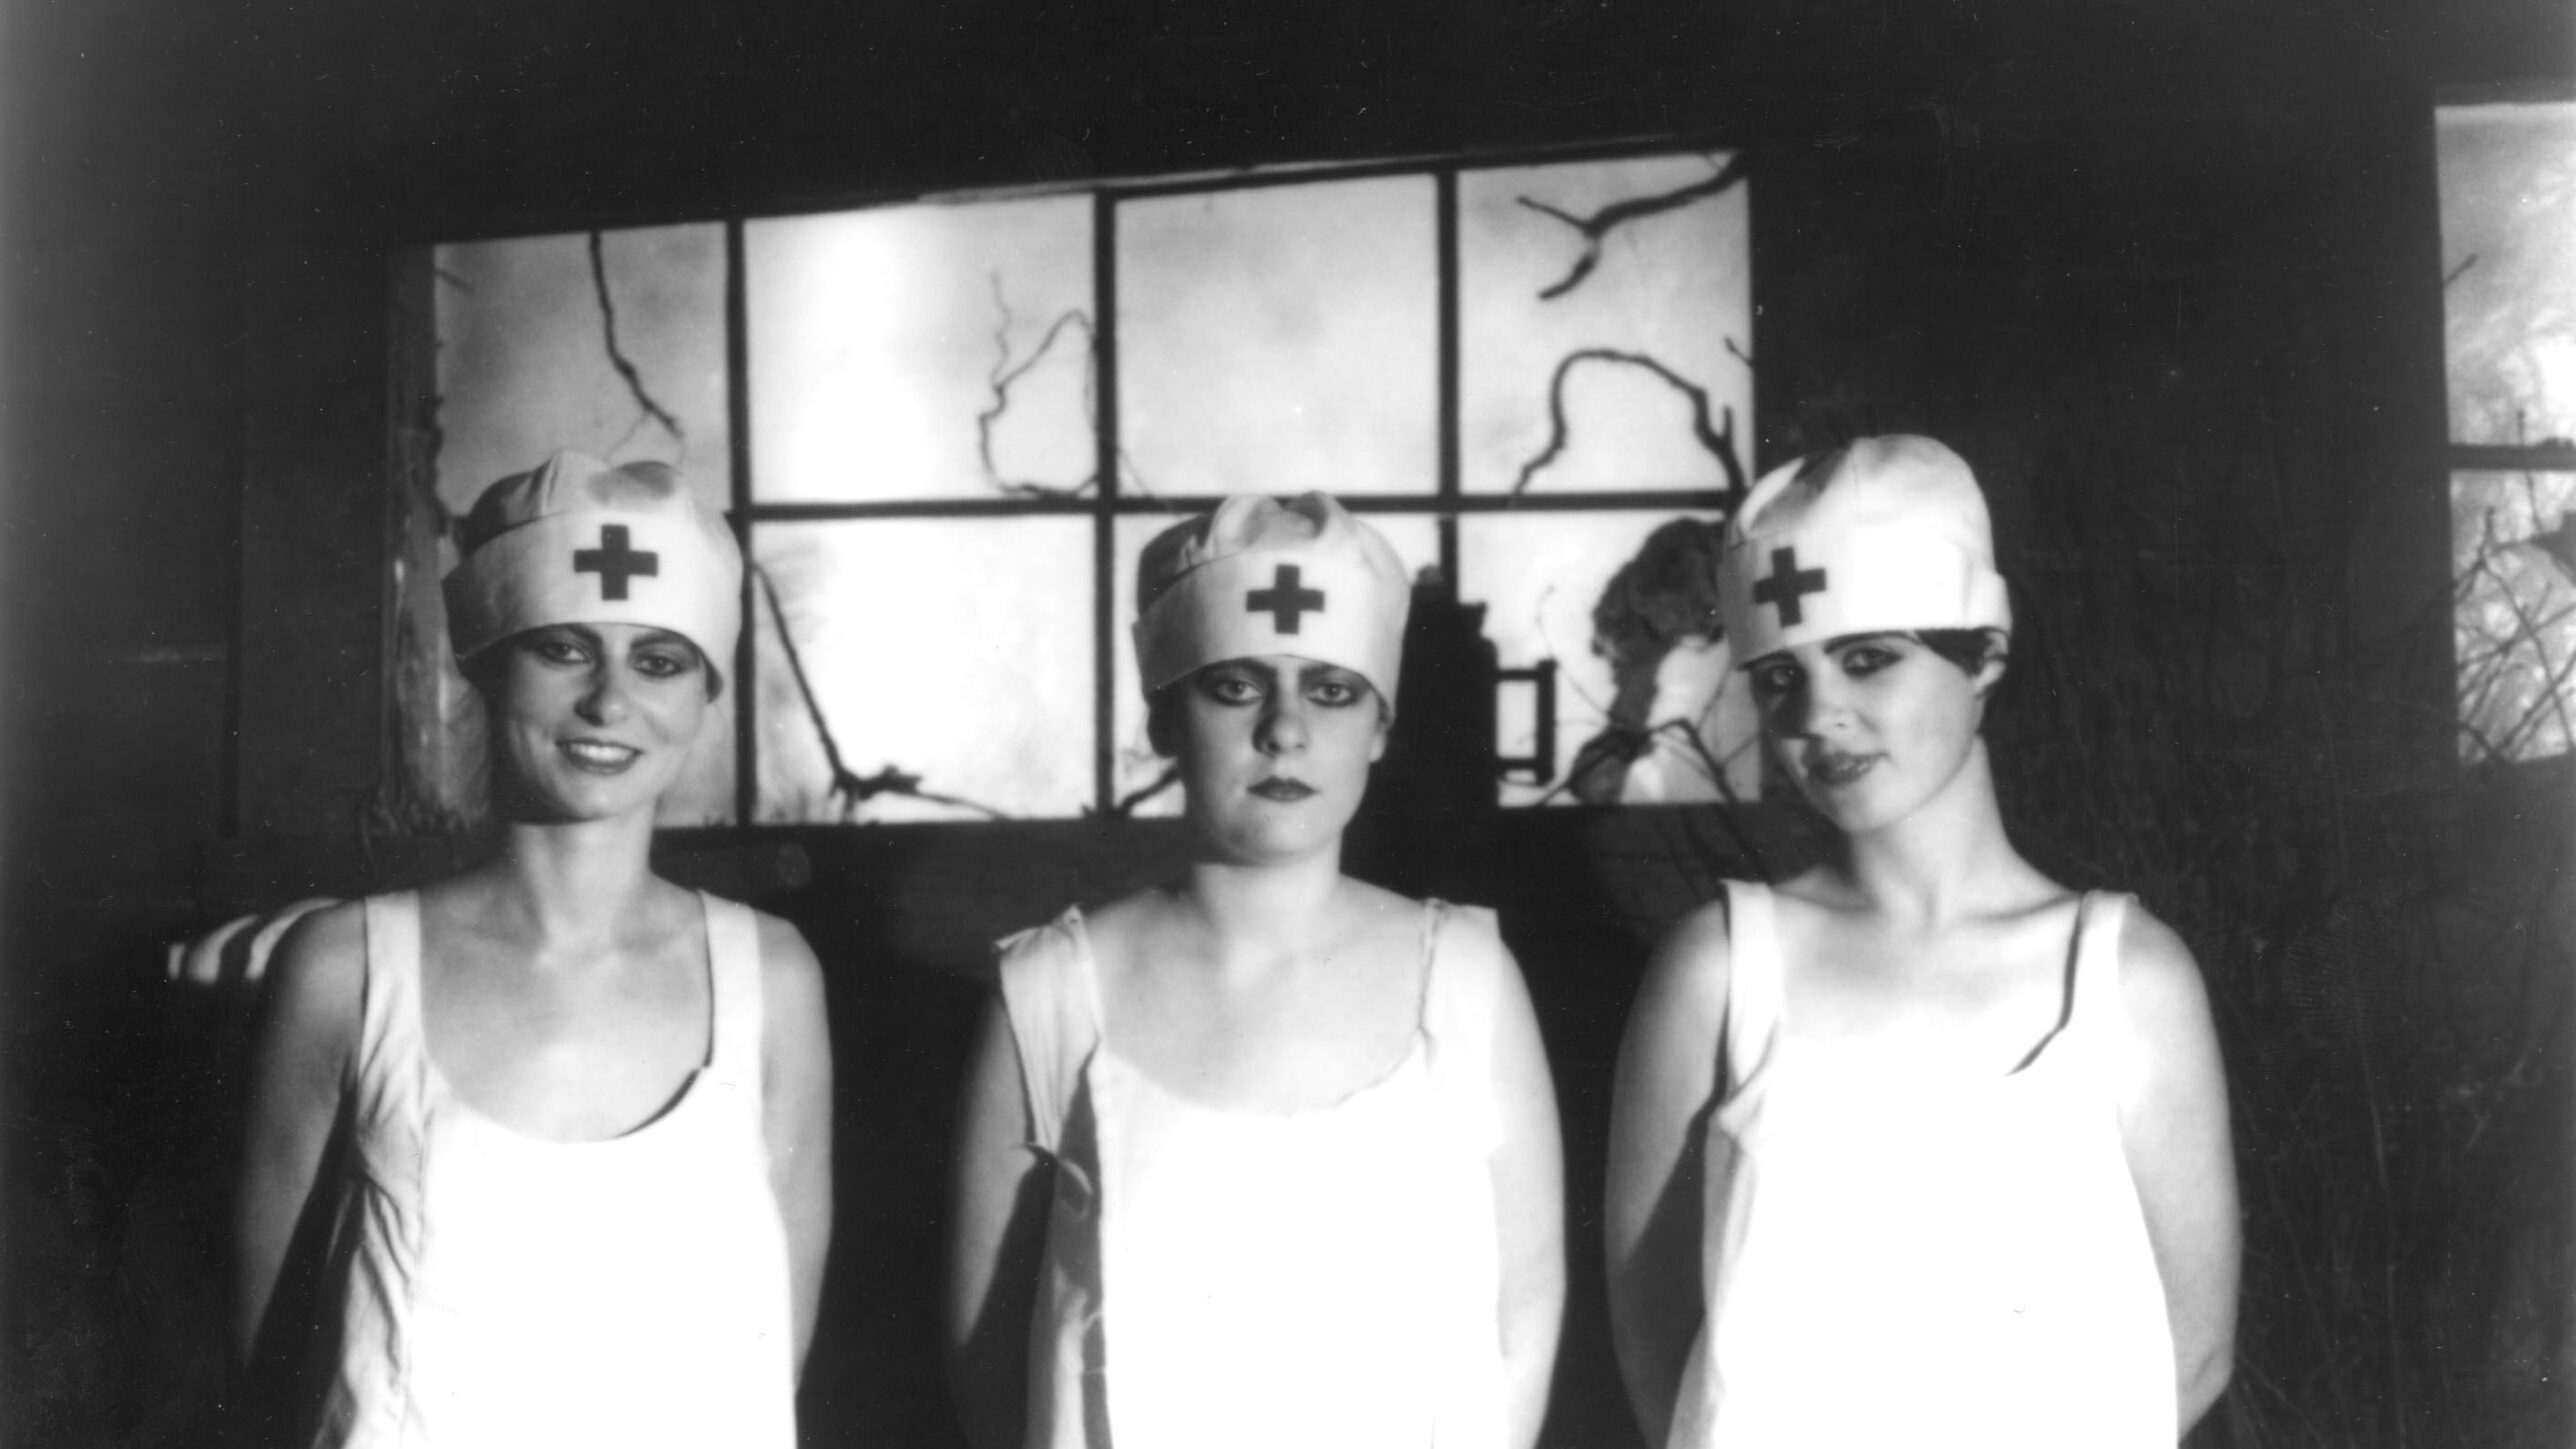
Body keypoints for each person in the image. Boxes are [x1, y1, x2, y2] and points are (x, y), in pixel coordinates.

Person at [1604, 437, 2240, 1447]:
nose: (1820, 714)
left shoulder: (2126, 976)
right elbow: (1656, 1348)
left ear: (1983, 653)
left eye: (1869, 659)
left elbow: (2189, 1351)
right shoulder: (1717, 970)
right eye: (1779, 677)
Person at [234, 453, 833, 1448]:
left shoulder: (771, 980)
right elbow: (267, 1364)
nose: (609, 702)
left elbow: (770, 1362)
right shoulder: (346, 969)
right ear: (482, 661)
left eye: (659, 661)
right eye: (562, 649)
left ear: (706, 694)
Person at [946, 493, 1565, 1449]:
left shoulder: (1466, 978)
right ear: (1164, 716)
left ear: (1382, 725)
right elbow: (984, 1360)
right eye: (1236, 687)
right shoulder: (1051, 993)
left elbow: (1522, 1310)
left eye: (1332, 689)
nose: (1285, 729)